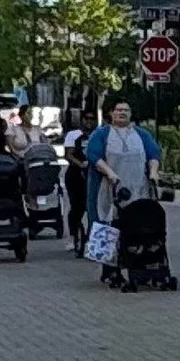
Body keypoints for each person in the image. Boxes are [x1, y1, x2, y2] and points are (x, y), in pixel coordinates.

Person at [85, 101, 162, 225]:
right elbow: (94, 156)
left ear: (130, 113)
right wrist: (110, 173)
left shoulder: (142, 134)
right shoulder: (101, 134)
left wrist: (153, 172)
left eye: (126, 110)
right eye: (119, 110)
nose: (122, 113)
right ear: (111, 113)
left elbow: (153, 154)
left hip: (138, 187)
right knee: (106, 223)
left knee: (138, 222)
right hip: (109, 187)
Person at [62, 108, 97, 253]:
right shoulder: (73, 135)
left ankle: (92, 238)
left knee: (93, 208)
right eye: (86, 118)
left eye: (92, 119)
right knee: (76, 207)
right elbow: (68, 154)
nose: (89, 121)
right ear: (81, 120)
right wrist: (80, 164)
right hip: (76, 175)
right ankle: (72, 235)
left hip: (93, 174)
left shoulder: (97, 135)